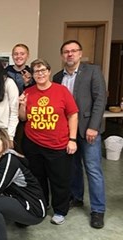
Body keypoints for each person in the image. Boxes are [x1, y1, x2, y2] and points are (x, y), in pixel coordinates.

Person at [53, 40, 107, 229]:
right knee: (73, 168)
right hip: (66, 132)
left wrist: (93, 126)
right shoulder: (58, 77)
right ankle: (76, 197)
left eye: (74, 51)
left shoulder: (92, 71)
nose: (70, 54)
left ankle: (98, 210)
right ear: (62, 55)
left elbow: (100, 99)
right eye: (66, 52)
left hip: (88, 130)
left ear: (80, 53)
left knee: (93, 170)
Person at [19, 58, 79, 225]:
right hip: (33, 142)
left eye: (43, 70)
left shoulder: (61, 91)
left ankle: (60, 210)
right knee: (38, 178)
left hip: (58, 144)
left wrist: (72, 139)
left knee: (60, 179)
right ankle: (41, 205)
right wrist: (22, 105)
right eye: (36, 71)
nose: (40, 74)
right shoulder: (28, 92)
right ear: (32, 74)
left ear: (49, 71)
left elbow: (72, 114)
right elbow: (23, 118)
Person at [0, 129, 46, 240]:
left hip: (35, 210)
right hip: (22, 202)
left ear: (4, 142)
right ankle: (21, 221)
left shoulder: (9, 159)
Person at [5, 43, 34, 155]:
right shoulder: (5, 72)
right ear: (12, 56)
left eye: (22, 54)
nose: (19, 56)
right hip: (7, 114)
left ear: (27, 55)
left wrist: (27, 83)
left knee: (22, 146)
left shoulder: (33, 73)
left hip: (26, 116)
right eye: (16, 54)